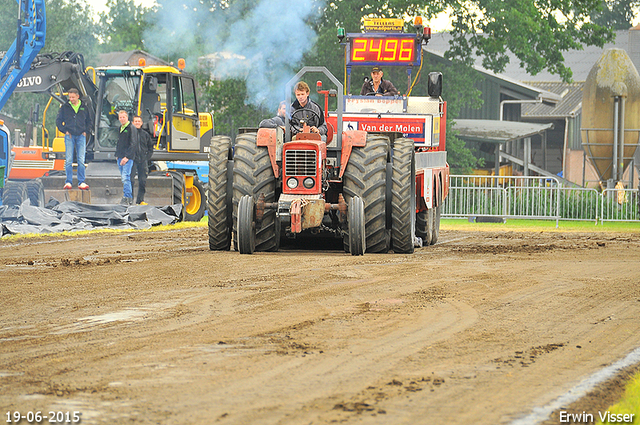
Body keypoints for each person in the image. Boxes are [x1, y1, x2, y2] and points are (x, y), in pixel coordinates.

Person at [56, 88, 92, 190]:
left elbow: (89, 121)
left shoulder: (84, 107)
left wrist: (86, 131)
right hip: (69, 136)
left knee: (81, 160)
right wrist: (65, 130)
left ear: (77, 96)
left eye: (73, 97)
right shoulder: (65, 107)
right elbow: (58, 121)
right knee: (68, 160)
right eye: (70, 97)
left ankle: (81, 182)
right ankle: (68, 182)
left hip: (81, 136)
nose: (71, 99)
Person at [131, 115, 155, 205]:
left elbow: (150, 147)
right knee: (131, 180)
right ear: (132, 123)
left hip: (143, 161)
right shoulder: (130, 134)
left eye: (139, 121)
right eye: (135, 121)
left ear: (141, 123)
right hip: (132, 160)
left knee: (143, 181)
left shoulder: (145, 135)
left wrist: (147, 157)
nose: (137, 123)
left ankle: (140, 200)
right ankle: (130, 199)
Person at [116, 110, 136, 205]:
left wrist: (127, 157)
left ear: (127, 117)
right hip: (120, 157)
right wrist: (117, 155)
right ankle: (126, 196)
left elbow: (133, 144)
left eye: (123, 117)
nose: (122, 119)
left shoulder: (131, 128)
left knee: (125, 177)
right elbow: (119, 143)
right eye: (120, 117)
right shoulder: (120, 128)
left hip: (127, 158)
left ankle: (128, 197)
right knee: (123, 178)